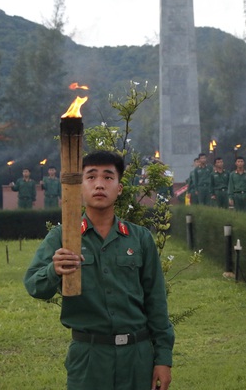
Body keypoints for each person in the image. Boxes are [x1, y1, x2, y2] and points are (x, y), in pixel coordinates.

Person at [23, 150, 174, 389]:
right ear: (80, 188)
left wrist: (163, 358)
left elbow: (156, 302)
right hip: (89, 358)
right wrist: (54, 270)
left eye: (108, 177)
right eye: (91, 177)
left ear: (120, 188)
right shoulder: (64, 237)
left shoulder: (140, 239)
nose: (99, 185)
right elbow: (33, 285)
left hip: (137, 357)